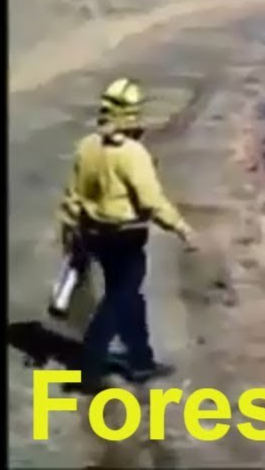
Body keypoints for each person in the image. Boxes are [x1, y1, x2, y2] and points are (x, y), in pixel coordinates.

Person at [55, 77, 195, 392]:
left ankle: (141, 362)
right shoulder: (132, 154)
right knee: (119, 298)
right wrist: (181, 227)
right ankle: (88, 368)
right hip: (125, 237)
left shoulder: (86, 146)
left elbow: (72, 195)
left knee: (130, 296)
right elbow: (150, 201)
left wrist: (68, 230)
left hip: (92, 234)